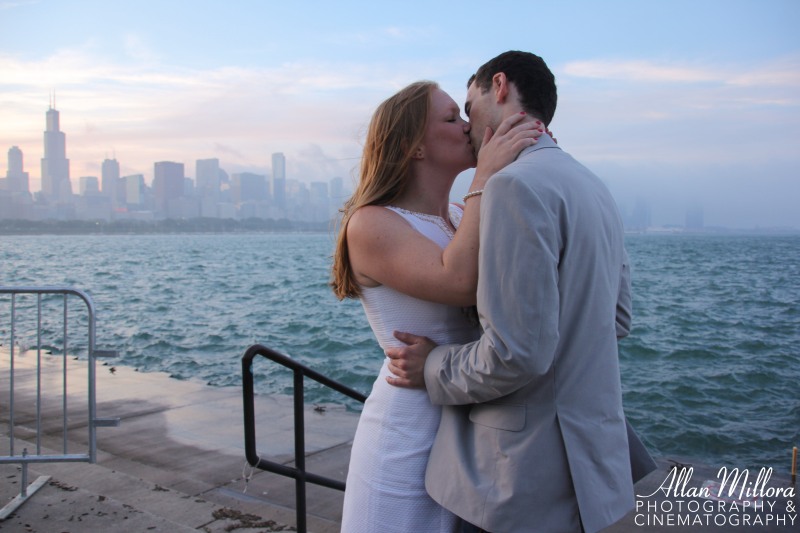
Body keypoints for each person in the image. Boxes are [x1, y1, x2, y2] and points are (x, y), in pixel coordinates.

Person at [385, 51, 638, 533]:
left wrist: (434, 365)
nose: (467, 124)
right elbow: (617, 319)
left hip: (519, 479)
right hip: (595, 474)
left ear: (498, 86)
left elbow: (516, 354)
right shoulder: (594, 187)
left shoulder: (512, 186)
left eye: (469, 104)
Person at [331, 81, 543, 532]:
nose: (468, 127)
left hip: (469, 428)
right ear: (414, 148)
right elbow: (460, 280)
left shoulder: (457, 213)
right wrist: (485, 175)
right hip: (408, 435)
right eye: (452, 119)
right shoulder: (370, 223)